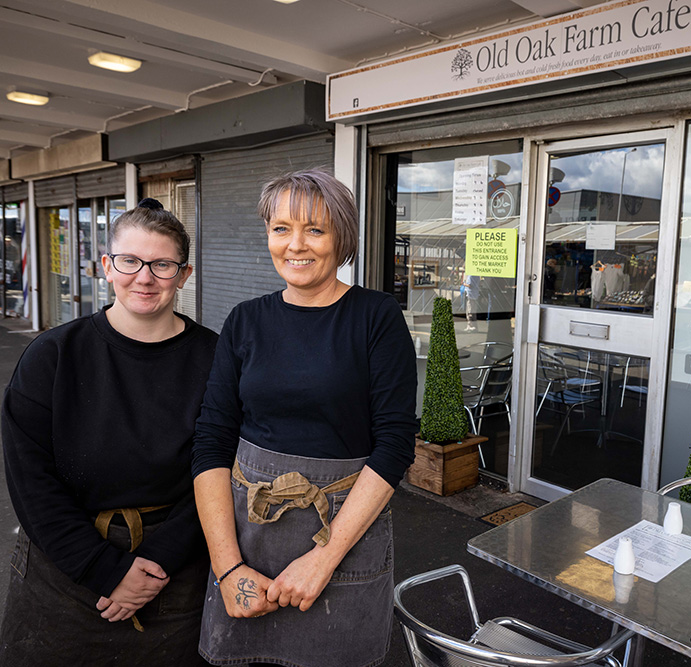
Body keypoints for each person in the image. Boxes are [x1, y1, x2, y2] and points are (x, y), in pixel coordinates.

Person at [192, 168, 416, 667]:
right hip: (247, 537)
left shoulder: (376, 317)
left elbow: (396, 444)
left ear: (342, 237)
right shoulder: (245, 320)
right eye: (281, 228)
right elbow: (211, 441)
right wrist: (228, 569)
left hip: (342, 536)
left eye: (315, 229)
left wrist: (323, 558)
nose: (296, 245)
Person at [0, 198, 218, 664]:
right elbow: (30, 480)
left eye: (162, 264)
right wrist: (102, 568)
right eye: (130, 261)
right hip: (64, 568)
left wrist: (156, 562)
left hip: (174, 570)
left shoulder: (216, 359)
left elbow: (222, 470)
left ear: (184, 274)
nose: (144, 277)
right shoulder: (53, 355)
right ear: (106, 266)